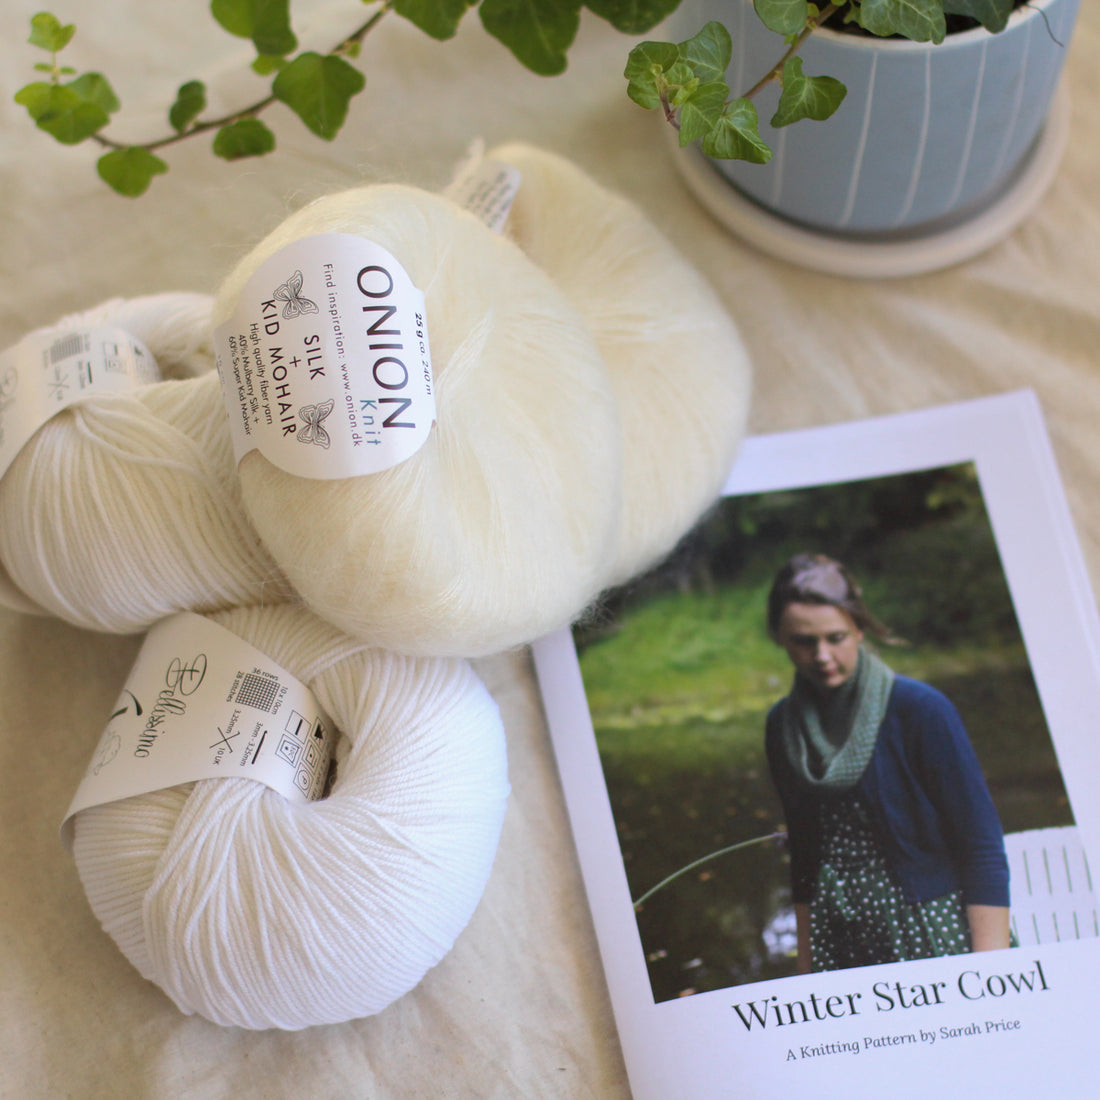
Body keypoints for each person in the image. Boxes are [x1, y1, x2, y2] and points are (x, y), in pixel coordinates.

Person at [763, 552, 1011, 974]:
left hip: (933, 935)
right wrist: (805, 972)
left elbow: (981, 846)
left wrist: (991, 973)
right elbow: (804, 859)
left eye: (835, 637)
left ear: (859, 628)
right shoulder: (783, 727)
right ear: (780, 638)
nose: (822, 655)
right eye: (804, 642)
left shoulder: (920, 710)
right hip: (839, 941)